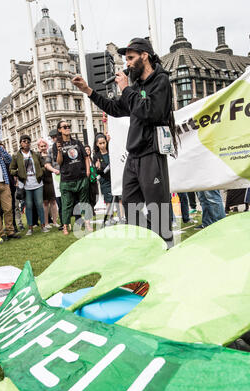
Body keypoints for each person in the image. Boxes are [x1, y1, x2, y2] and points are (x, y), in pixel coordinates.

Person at [72, 37, 177, 248]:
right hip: (134, 155)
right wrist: (88, 91)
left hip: (151, 153)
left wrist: (126, 89)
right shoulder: (136, 86)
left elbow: (150, 112)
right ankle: (152, 239)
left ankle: (167, 243)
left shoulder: (160, 81)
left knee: (157, 206)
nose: (127, 63)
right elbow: (115, 108)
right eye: (126, 59)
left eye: (130, 58)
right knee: (129, 205)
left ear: (144, 56)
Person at [53, 120, 92, 235]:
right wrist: (60, 151)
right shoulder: (57, 145)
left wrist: (88, 171)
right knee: (66, 204)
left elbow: (85, 157)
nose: (67, 128)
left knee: (85, 202)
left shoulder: (77, 142)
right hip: (67, 180)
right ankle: (65, 226)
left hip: (81, 178)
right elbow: (59, 162)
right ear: (59, 130)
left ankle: (88, 223)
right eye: (64, 127)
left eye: (68, 126)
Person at [10, 135, 49, 236]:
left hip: (37, 183)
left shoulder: (35, 154)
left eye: (28, 141)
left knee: (40, 204)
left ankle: (43, 226)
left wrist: (41, 172)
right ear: (20, 143)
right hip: (25, 184)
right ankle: (30, 227)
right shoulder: (16, 156)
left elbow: (43, 165)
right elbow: (11, 169)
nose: (26, 143)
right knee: (29, 206)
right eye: (24, 141)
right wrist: (18, 173)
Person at [37, 138, 59, 229]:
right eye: (41, 146)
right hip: (43, 181)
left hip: (53, 179)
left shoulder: (51, 154)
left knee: (53, 201)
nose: (43, 148)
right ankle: (46, 223)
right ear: (38, 147)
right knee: (45, 203)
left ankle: (55, 221)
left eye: (44, 146)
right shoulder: (38, 157)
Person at [93, 133, 114, 223]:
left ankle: (121, 216)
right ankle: (109, 217)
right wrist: (98, 167)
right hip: (105, 180)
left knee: (119, 198)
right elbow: (97, 171)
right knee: (108, 199)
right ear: (97, 144)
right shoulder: (96, 156)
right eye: (100, 143)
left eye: (104, 142)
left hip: (114, 178)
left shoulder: (111, 151)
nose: (102, 145)